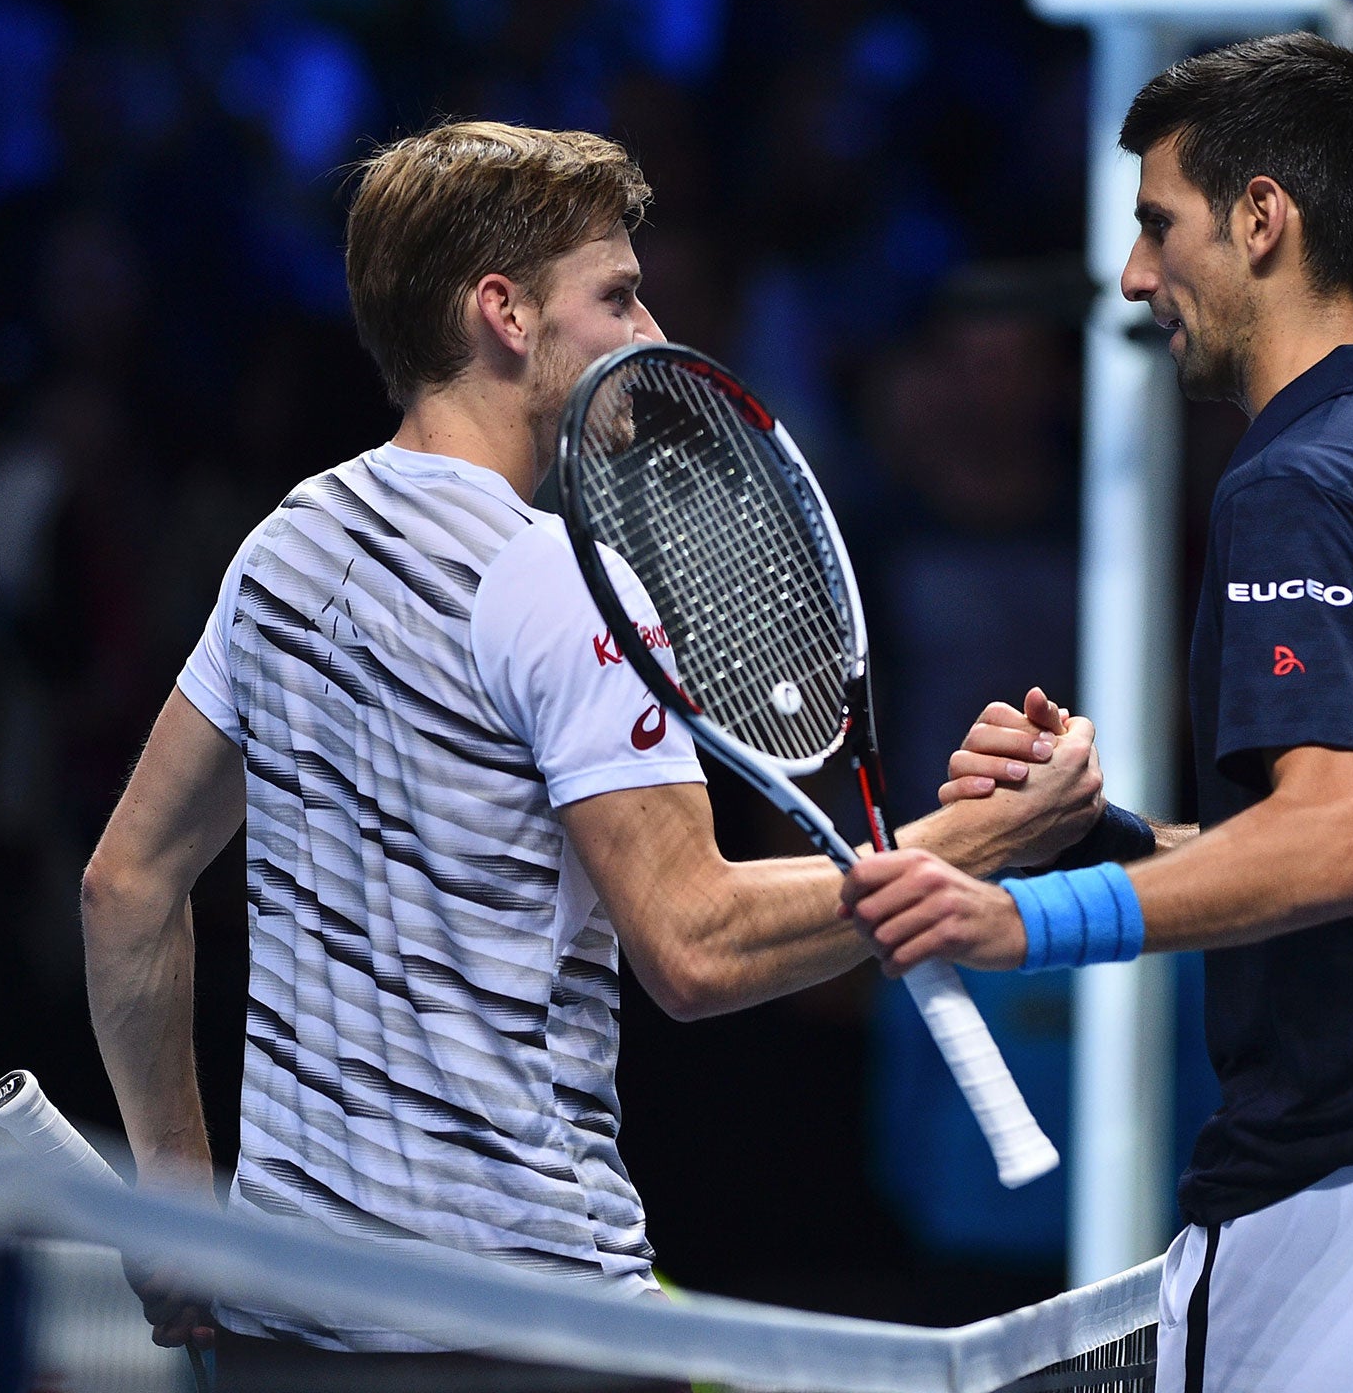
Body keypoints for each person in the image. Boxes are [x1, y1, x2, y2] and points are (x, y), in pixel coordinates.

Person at [77, 120, 1103, 1371]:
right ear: (503, 311)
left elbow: (124, 888)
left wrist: (181, 1216)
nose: (651, 336)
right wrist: (979, 841)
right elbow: (695, 944)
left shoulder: (286, 548)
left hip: (291, 1328)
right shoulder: (565, 580)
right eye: (616, 295)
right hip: (526, 1331)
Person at [843, 34, 1353, 1393]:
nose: (1139, 275)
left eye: (1159, 224)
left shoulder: (1296, 486)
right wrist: (1104, 838)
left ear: (1262, 220)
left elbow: (1334, 847)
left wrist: (1022, 918)